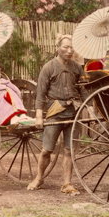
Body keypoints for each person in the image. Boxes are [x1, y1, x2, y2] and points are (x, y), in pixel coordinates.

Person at [27, 34, 86, 195]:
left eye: (71, 47)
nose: (69, 50)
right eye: (65, 47)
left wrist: (89, 107)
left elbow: (83, 90)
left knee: (69, 150)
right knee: (47, 150)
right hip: (55, 112)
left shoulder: (77, 67)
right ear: (57, 48)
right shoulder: (49, 67)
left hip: (73, 112)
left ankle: (67, 183)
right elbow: (40, 94)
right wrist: (39, 115)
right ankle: (39, 178)